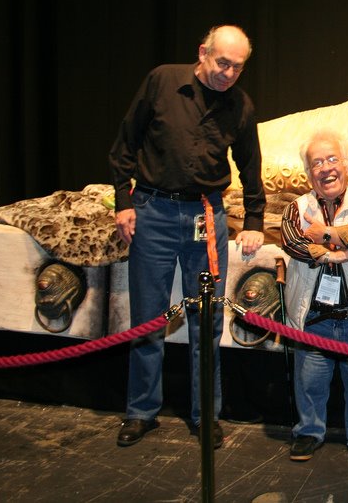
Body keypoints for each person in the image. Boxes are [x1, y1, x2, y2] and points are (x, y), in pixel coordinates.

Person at [109, 24, 266, 449]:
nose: (228, 74)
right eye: (222, 63)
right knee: (147, 319)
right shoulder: (162, 81)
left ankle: (205, 416)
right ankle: (141, 411)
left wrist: (254, 220)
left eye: (237, 67)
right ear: (203, 52)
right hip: (153, 212)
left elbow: (251, 165)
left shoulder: (240, 105)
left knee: (208, 320)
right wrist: (123, 201)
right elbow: (125, 143)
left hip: (205, 214)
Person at [280, 129, 348, 462]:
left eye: (332, 159)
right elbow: (294, 242)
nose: (326, 168)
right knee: (309, 382)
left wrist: (322, 234)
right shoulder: (294, 208)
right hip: (312, 316)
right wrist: (335, 252)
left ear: (347, 164)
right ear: (309, 173)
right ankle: (309, 431)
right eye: (317, 163)